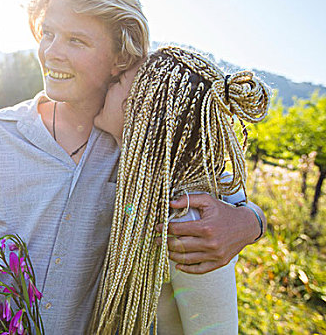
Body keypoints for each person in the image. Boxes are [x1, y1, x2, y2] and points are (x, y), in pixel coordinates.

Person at [0, 0, 266, 334]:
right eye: (48, 33)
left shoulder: (140, 156)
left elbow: (215, 195)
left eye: (77, 40)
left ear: (121, 55)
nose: (52, 51)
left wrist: (250, 222)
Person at [91, 47, 270, 334]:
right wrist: (254, 219)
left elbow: (217, 330)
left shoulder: (189, 221)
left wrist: (253, 221)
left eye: (118, 83)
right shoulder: (135, 171)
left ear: (139, 111)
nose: (107, 84)